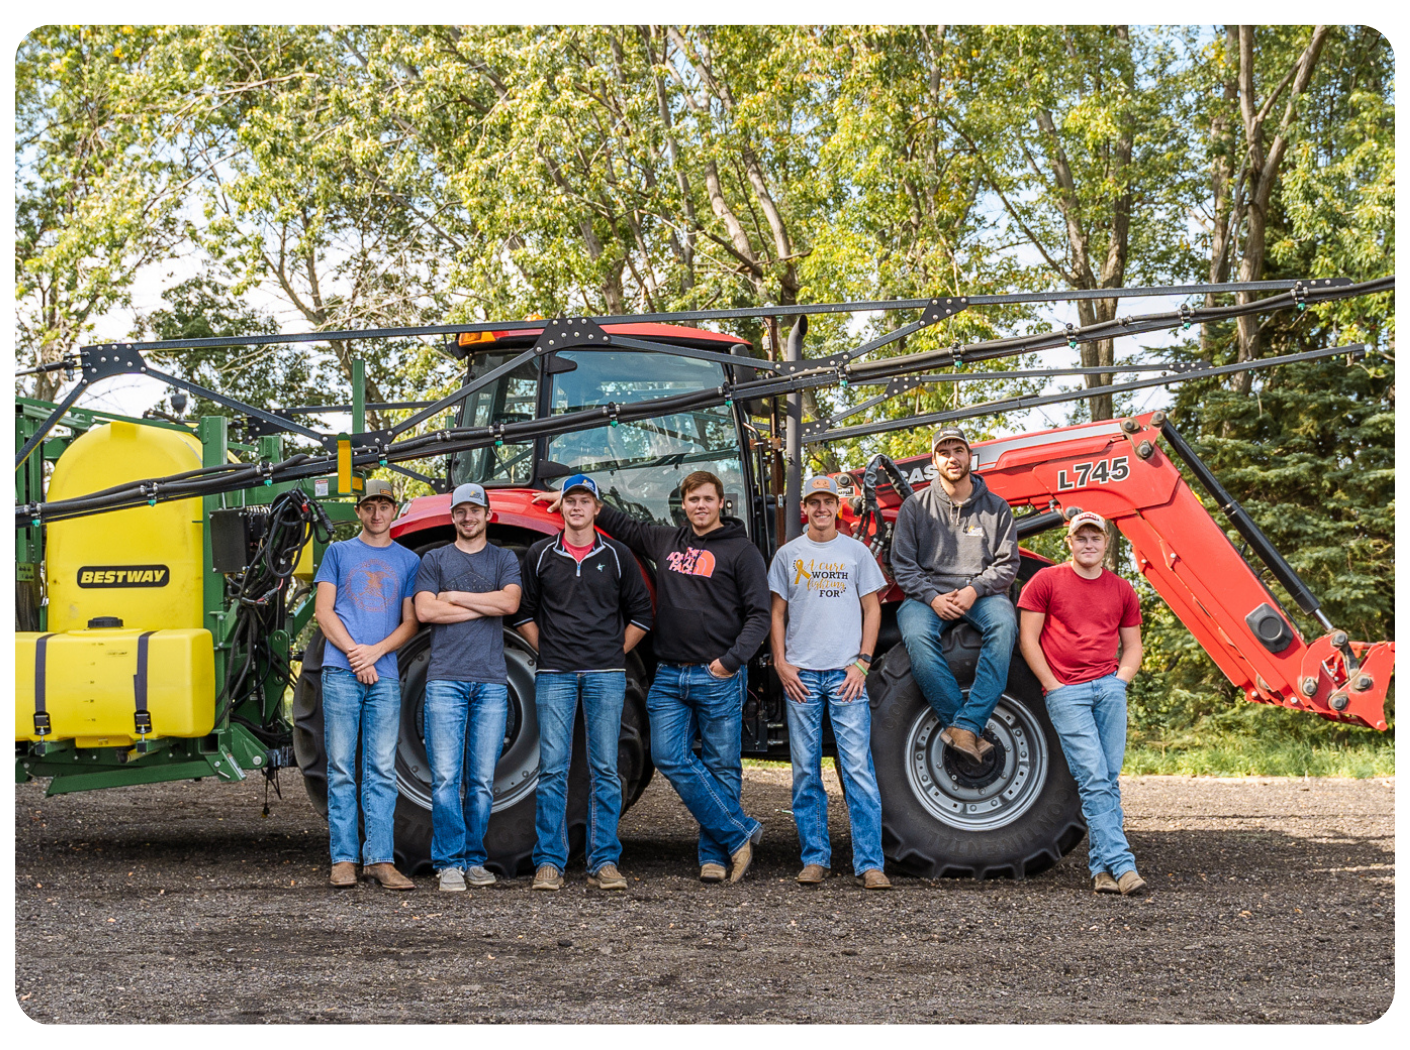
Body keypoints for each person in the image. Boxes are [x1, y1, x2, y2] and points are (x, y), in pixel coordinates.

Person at [549, 469, 769, 883]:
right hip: (669, 675)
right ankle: (739, 832)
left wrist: (731, 662)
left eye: (707, 498)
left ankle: (714, 856)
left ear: (721, 502)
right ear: (683, 506)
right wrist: (566, 494)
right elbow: (620, 523)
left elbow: (759, 615)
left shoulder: (742, 552)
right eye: (692, 500)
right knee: (669, 756)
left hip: (717, 675)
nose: (700, 506)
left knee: (722, 766)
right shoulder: (666, 541)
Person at [513, 474, 654, 893]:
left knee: (605, 770)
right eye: (570, 501)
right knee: (554, 768)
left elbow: (642, 614)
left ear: (596, 508)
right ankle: (549, 862)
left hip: (605, 676)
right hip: (555, 675)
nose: (577, 507)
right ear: (563, 508)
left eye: (585, 501)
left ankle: (604, 860)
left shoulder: (617, 555)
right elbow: (523, 613)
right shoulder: (540, 555)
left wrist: (614, 654)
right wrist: (549, 651)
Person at [768, 476, 892, 890]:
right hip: (801, 676)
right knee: (805, 771)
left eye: (828, 502)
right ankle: (815, 858)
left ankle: (870, 863)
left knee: (857, 769)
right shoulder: (789, 555)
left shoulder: (856, 553)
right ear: (805, 507)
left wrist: (863, 663)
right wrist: (782, 664)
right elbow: (777, 614)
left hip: (846, 677)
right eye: (814, 502)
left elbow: (872, 610)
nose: (821, 509)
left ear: (837, 506)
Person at [1017, 510, 1147, 896]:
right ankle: (1124, 867)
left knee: (1106, 778)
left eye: (1095, 538)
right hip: (1066, 693)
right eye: (1081, 538)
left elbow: (1133, 645)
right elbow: (1028, 640)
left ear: (1105, 544)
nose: (1088, 545)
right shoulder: (1046, 581)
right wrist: (1053, 686)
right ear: (1069, 543)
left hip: (1108, 688)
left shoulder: (1122, 589)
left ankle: (1100, 870)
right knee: (1093, 777)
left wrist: (1120, 682)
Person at [412, 482, 522, 892]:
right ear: (453, 516)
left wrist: (454, 598)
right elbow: (425, 610)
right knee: (444, 778)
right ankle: (448, 862)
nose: (468, 517)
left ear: (487, 515)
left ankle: (474, 860)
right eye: (461, 511)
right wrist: (483, 606)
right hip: (445, 682)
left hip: (492, 683)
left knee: (480, 780)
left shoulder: (504, 559)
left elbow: (510, 604)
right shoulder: (435, 559)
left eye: (475, 510)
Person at [313, 479, 421, 890]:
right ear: (359, 511)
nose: (377, 514)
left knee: (381, 768)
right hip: (342, 673)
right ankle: (343, 859)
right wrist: (355, 654)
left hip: (385, 675)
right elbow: (324, 613)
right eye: (369, 507)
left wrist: (373, 654)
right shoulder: (338, 553)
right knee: (342, 767)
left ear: (395, 510)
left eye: (384, 506)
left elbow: (410, 622)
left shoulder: (408, 561)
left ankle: (379, 858)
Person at [891, 426, 1020, 763]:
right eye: (944, 452)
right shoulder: (915, 506)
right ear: (934, 460)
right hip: (928, 597)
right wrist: (931, 596)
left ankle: (967, 724)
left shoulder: (996, 507)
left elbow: (1008, 564)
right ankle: (964, 726)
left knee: (1004, 625)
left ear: (969, 456)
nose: (952, 457)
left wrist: (974, 590)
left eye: (958, 450)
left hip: (981, 594)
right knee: (916, 635)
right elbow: (902, 565)